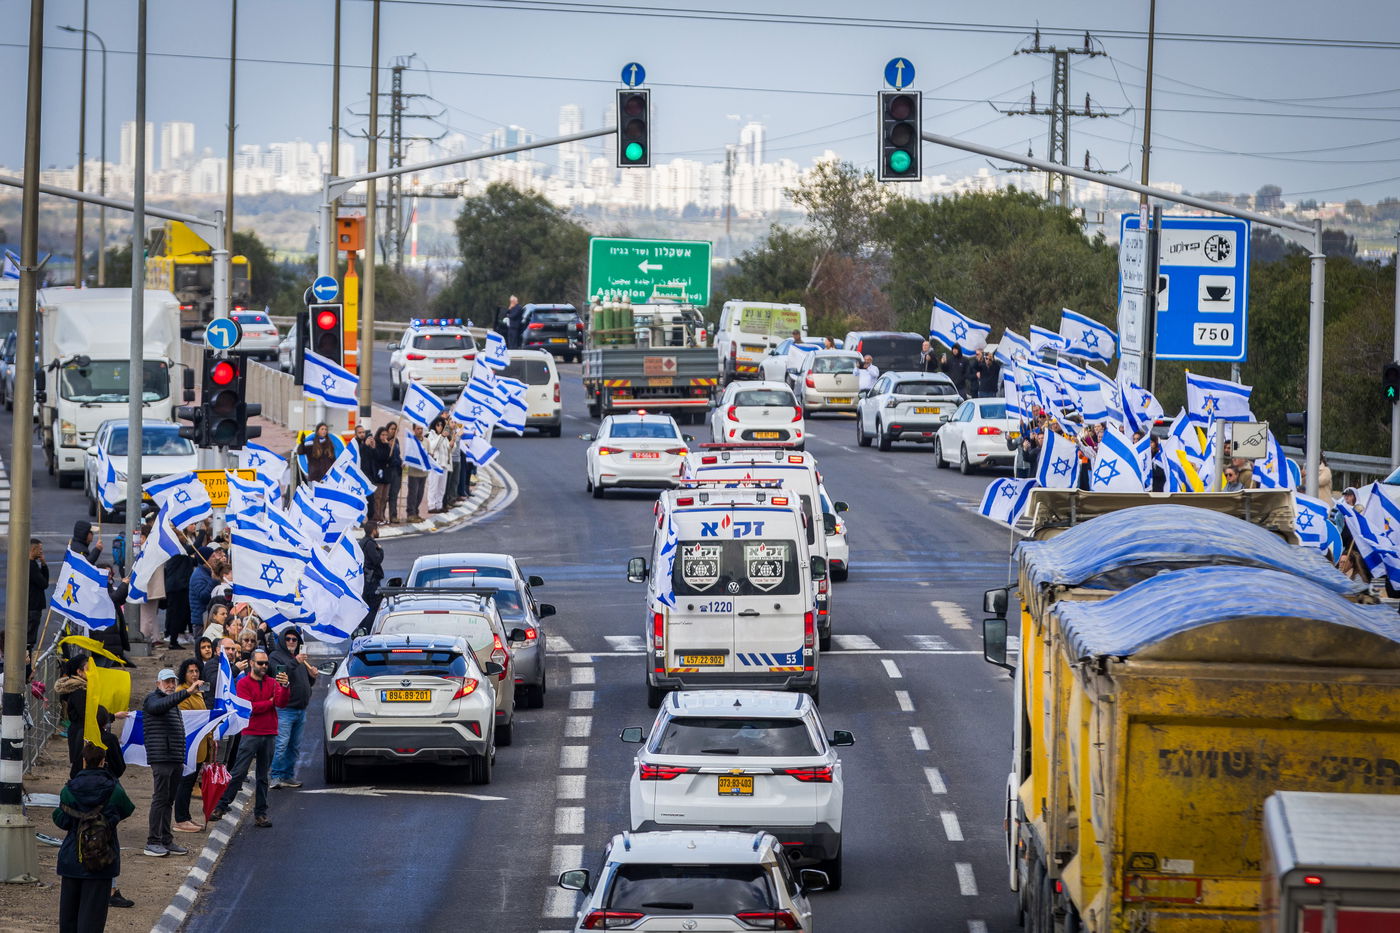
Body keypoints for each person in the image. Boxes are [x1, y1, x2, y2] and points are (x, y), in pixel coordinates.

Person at [53, 743, 135, 933]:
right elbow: (126, 810)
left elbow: (61, 820)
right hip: (102, 858)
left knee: (69, 916)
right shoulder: (114, 789)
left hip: (72, 857)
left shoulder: (69, 789)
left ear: (83, 761)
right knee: (93, 917)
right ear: (102, 762)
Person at [211, 648, 289, 829]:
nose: (264, 666)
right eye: (260, 663)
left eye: (266, 663)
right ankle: (222, 805)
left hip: (269, 733)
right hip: (251, 733)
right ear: (252, 663)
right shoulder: (244, 683)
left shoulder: (272, 682)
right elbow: (250, 708)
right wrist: (269, 702)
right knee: (238, 772)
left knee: (263, 777)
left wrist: (284, 687)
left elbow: (282, 702)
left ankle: (260, 814)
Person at [141, 667, 204, 857]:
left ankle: (166, 840)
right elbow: (159, 706)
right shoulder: (153, 699)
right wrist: (187, 692)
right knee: (160, 799)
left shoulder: (172, 703)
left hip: (174, 757)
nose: (170, 685)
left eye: (172, 682)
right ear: (158, 684)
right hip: (161, 757)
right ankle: (153, 841)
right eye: (166, 682)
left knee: (168, 800)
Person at [269, 628, 318, 789]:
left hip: (300, 708)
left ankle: (288, 775)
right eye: (288, 639)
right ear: (282, 640)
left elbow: (305, 683)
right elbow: (280, 673)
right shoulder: (276, 656)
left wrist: (311, 676)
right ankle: (275, 776)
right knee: (281, 744)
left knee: (294, 746)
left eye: (294, 640)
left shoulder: (301, 660)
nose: (291, 642)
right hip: (285, 708)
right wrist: (296, 661)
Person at [172, 659, 213, 834]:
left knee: (189, 784)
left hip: (200, 746)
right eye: (191, 671)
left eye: (197, 671)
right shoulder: (182, 693)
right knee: (185, 783)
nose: (195, 674)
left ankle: (186, 817)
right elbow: (188, 720)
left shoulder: (197, 692)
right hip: (189, 747)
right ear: (184, 673)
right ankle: (181, 819)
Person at [57, 658, 90, 779]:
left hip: (79, 731)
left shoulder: (82, 688)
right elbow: (85, 714)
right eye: (88, 669)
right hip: (79, 733)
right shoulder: (79, 692)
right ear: (79, 672)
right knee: (79, 766)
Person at [188, 550, 227, 639]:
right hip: (201, 620)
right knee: (202, 646)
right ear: (205, 559)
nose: (216, 558)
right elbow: (204, 597)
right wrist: (214, 581)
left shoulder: (208, 572)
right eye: (213, 556)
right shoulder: (198, 576)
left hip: (208, 617)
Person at [404, 423, 429, 522]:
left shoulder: (426, 441)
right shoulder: (411, 441)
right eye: (418, 429)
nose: (420, 431)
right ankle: (410, 513)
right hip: (413, 472)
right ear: (414, 429)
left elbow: (429, 454)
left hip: (423, 473)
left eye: (421, 429)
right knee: (413, 494)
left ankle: (416, 512)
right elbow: (407, 454)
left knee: (420, 494)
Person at [27, 538, 48, 650]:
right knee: (29, 640)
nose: (41, 552)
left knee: (29, 638)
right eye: (40, 549)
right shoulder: (31, 566)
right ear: (33, 549)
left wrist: (43, 564)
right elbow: (44, 583)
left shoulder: (32, 564)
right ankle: (27, 664)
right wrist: (44, 565)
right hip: (33, 607)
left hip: (32, 606)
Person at [370, 427, 392, 523]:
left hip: (386, 475)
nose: (384, 437)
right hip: (378, 474)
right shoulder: (376, 445)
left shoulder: (388, 446)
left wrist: (388, 446)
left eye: (386, 435)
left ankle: (382, 515)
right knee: (377, 497)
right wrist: (386, 446)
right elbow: (379, 457)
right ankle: (376, 516)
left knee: (384, 497)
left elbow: (389, 459)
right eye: (382, 435)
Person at [383, 422, 404, 522]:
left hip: (396, 470)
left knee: (394, 494)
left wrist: (401, 462)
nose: (393, 431)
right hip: (387, 471)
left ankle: (393, 516)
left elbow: (397, 455)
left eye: (395, 429)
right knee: (384, 495)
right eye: (392, 429)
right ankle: (381, 515)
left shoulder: (397, 442)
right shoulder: (384, 441)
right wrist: (387, 445)